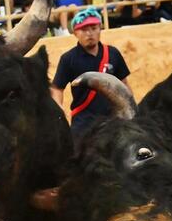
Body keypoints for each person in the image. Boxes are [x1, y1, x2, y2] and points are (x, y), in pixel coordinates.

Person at [50, 7, 132, 140]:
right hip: (83, 121)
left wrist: (130, 111)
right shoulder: (68, 58)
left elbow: (124, 85)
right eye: (84, 29)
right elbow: (57, 89)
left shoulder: (113, 54)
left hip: (113, 119)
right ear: (75, 33)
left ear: (100, 28)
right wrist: (59, 112)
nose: (90, 33)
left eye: (94, 28)